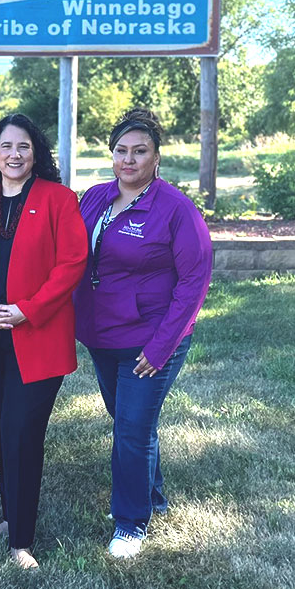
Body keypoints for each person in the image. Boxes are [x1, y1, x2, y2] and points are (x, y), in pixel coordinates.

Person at [0, 114, 88, 569]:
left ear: (36, 152)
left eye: (23, 147)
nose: (14, 155)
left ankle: (20, 541)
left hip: (37, 333)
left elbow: (72, 262)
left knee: (21, 432)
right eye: (6, 146)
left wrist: (29, 308)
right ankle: (13, 512)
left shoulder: (59, 199)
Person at [74, 108, 212, 559]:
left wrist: (160, 347)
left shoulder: (175, 209)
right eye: (121, 151)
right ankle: (153, 497)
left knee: (131, 430)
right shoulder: (93, 197)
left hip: (152, 340)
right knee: (131, 423)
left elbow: (194, 282)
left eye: (139, 152)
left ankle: (131, 522)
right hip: (103, 335)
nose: (128, 160)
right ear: (111, 155)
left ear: (156, 158)